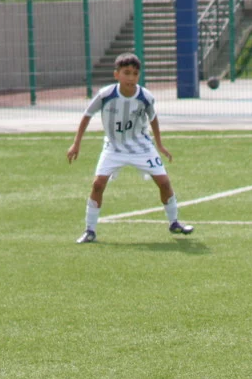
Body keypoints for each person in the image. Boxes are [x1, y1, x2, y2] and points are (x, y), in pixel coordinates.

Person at [67, 53, 194, 243]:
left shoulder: (145, 96)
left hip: (142, 147)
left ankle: (174, 222)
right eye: (126, 73)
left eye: (135, 74)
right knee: (98, 184)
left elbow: (153, 118)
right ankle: (90, 230)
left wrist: (159, 144)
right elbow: (87, 115)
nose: (131, 78)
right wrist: (76, 143)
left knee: (164, 182)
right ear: (116, 74)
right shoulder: (106, 95)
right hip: (113, 148)